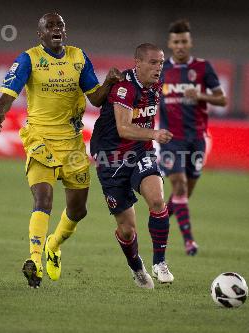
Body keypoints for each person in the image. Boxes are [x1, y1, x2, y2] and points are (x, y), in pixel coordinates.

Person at [0, 13, 122, 288]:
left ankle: (53, 244)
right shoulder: (29, 59)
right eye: (49, 26)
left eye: (59, 25)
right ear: (40, 34)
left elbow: (95, 98)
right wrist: (1, 111)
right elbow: (9, 90)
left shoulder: (78, 57)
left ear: (65, 30)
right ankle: (35, 262)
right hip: (40, 138)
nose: (55, 29)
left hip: (72, 143)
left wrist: (108, 82)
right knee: (43, 199)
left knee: (78, 210)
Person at [90, 43, 174, 289]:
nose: (159, 67)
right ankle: (136, 267)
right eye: (153, 62)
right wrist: (155, 133)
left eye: (161, 62)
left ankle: (160, 263)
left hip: (140, 152)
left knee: (157, 201)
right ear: (138, 63)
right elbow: (123, 128)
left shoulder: (156, 85)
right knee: (127, 230)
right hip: (111, 160)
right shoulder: (125, 88)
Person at [159, 19, 227, 255]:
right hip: (169, 139)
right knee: (179, 186)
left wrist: (200, 95)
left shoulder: (203, 68)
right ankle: (189, 242)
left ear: (190, 43)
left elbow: (222, 99)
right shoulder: (160, 70)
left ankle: (159, 222)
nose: (180, 46)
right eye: (176, 41)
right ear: (169, 43)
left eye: (184, 41)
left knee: (184, 193)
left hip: (196, 138)